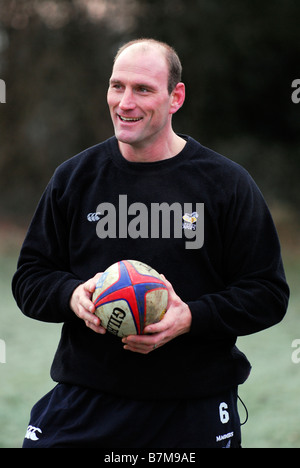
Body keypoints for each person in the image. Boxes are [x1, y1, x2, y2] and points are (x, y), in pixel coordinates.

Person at [12, 38, 289, 449]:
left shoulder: (226, 185)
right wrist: (72, 296)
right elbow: (30, 278)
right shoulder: (74, 178)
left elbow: (268, 293)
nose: (124, 102)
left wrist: (190, 317)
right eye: (116, 85)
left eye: (142, 89)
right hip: (87, 401)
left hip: (193, 407)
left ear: (175, 96)